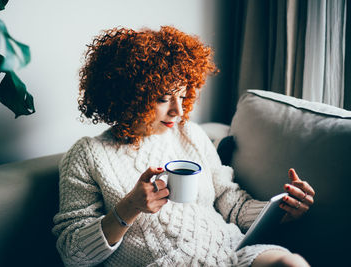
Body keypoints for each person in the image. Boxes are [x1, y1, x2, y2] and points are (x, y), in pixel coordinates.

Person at [52, 26, 315, 267]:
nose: (178, 111)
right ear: (128, 97)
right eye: (164, 99)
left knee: (292, 264)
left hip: (231, 253)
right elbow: (73, 253)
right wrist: (129, 207)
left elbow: (230, 202)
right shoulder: (87, 154)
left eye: (182, 95)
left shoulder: (190, 134)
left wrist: (282, 210)